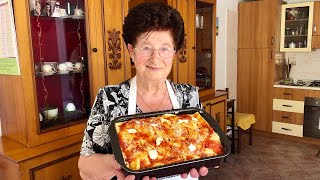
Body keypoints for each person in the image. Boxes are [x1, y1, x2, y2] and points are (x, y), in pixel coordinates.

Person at [78, 2, 209, 180]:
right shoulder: (109, 99)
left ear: (174, 52)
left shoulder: (189, 96)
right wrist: (117, 163)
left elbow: (205, 149)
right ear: (131, 51)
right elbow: (84, 169)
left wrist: (208, 159)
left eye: (164, 48)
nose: (156, 59)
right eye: (147, 48)